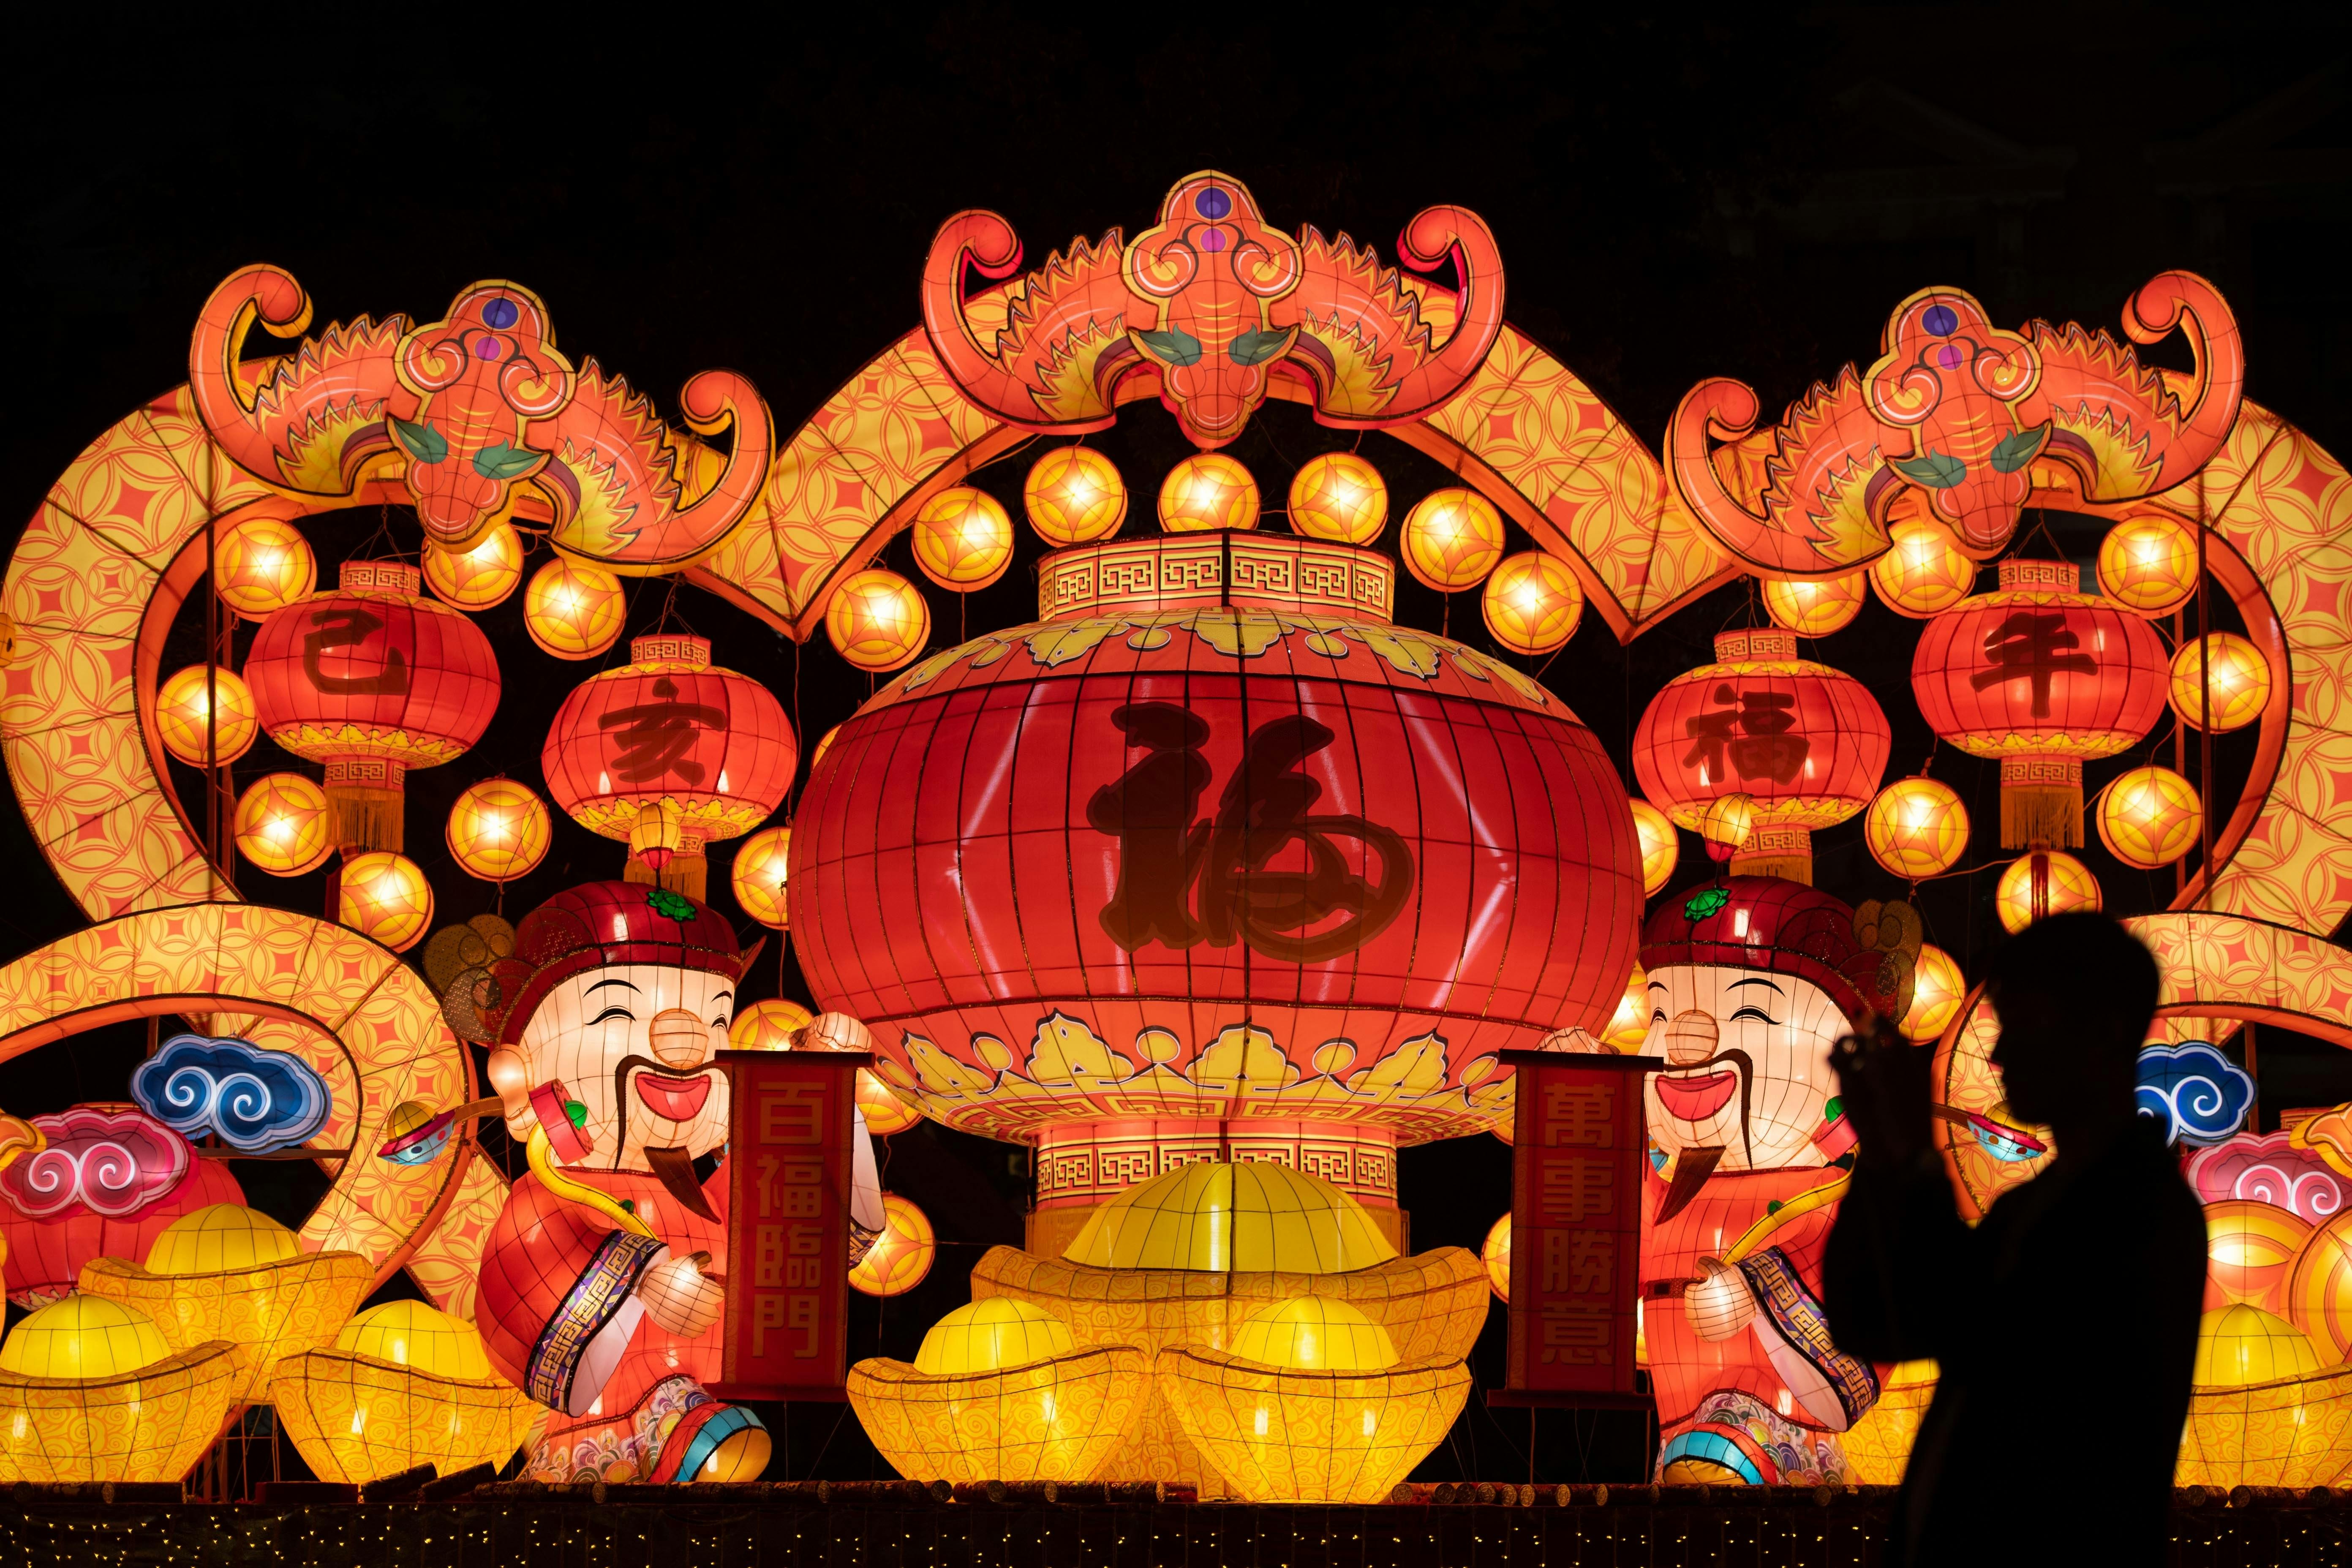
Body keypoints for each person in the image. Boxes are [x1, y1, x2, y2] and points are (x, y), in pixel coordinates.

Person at [1824, 911, 2205, 1566]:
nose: (1999, 1056)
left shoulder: (2139, 1210)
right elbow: (1874, 1325)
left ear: (2101, 1034)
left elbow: (1974, 1330)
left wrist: (1911, 1153)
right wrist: (1885, 1154)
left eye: (2023, 1023)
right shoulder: (2031, 1207)